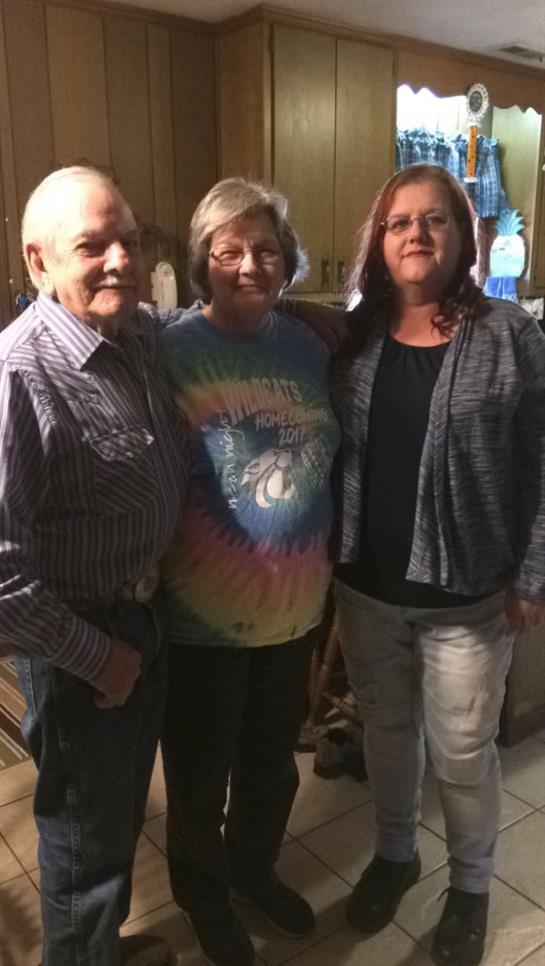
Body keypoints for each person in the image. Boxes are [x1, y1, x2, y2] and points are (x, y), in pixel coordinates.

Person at [326, 163, 545, 966]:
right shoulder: (354, 332)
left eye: (434, 220)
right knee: (386, 733)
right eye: (398, 223)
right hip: (365, 585)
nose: (415, 234)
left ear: (463, 235)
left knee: (460, 751)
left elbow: (542, 459)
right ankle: (393, 854)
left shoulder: (507, 333)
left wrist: (532, 573)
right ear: (378, 244)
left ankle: (471, 886)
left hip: (467, 595)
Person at [0, 166, 188, 966]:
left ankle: (97, 952)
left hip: (144, 617)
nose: (120, 260)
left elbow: (224, 312)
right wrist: (97, 656)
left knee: (110, 821)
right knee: (82, 841)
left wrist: (322, 318)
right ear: (38, 262)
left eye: (130, 240)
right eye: (92, 246)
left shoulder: (140, 332)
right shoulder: (19, 376)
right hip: (85, 642)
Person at [159, 178, 340, 966]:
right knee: (199, 780)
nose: (247, 264)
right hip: (201, 617)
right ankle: (204, 899)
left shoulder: (305, 343)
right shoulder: (167, 348)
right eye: (227, 250)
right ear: (204, 260)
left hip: (296, 611)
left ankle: (253, 870)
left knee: (271, 766)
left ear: (287, 262)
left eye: (265, 249)